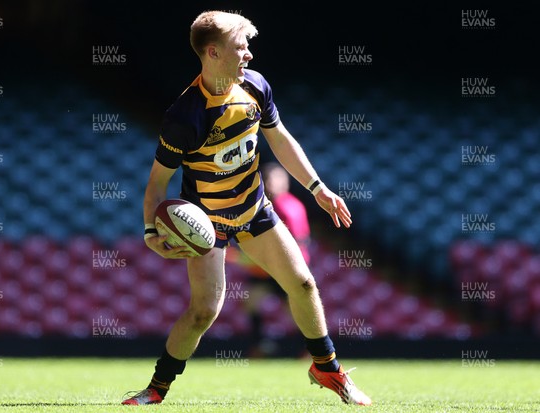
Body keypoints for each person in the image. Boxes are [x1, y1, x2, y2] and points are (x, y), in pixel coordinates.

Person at [122, 11, 371, 406]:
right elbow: (156, 184)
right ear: (213, 52)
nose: (250, 55)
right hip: (208, 223)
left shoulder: (255, 87)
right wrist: (152, 233)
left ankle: (327, 368)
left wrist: (317, 188)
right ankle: (156, 388)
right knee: (204, 311)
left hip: (254, 209)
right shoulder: (185, 117)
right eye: (242, 47)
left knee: (303, 283)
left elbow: (281, 138)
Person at [227, 162, 311, 358]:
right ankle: (261, 345)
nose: (270, 183)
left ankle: (307, 349)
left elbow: (295, 242)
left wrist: (243, 258)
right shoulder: (274, 204)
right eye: (268, 179)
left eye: (274, 179)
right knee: (253, 302)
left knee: (293, 310)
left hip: (283, 266)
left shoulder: (284, 206)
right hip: (267, 268)